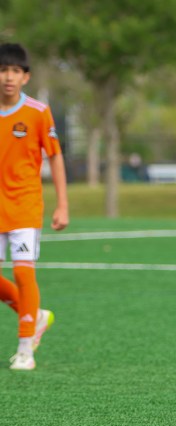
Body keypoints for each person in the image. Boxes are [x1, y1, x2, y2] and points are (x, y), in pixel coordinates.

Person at [0, 43, 69, 370]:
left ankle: (25, 348)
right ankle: (36, 314)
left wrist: (62, 205)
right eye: (3, 70)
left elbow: (54, 157)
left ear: (25, 77)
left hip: (26, 204)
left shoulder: (39, 112)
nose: (8, 77)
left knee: (22, 271)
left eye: (15, 71)